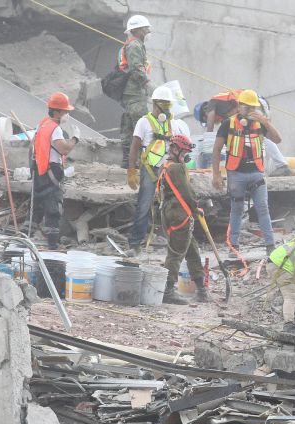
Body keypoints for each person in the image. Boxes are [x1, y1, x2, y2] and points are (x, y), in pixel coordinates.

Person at [212, 89, 280, 253]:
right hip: (236, 173)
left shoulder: (260, 124)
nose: (250, 111)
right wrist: (216, 174)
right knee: (236, 209)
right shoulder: (228, 123)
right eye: (247, 107)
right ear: (239, 106)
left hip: (256, 172)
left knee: (262, 208)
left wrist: (266, 123)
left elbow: (278, 139)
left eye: (253, 107)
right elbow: (216, 149)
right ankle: (233, 246)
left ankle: (271, 246)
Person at [150, 134, 209, 304]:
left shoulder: (165, 166)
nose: (185, 157)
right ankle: (168, 291)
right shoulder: (176, 168)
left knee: (192, 250)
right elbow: (186, 192)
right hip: (179, 214)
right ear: (174, 149)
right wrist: (195, 206)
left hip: (171, 212)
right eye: (183, 154)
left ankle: (201, 290)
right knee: (176, 252)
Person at [127, 85, 174, 250]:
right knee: (144, 205)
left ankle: (167, 240)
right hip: (150, 169)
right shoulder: (144, 122)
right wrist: (131, 170)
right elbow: (134, 147)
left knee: (170, 204)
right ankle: (135, 243)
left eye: (169, 103)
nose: (168, 106)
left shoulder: (169, 123)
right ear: (155, 103)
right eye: (165, 103)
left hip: (166, 169)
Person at [31, 92, 79, 249]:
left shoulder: (42, 124)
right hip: (52, 171)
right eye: (65, 111)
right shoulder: (55, 129)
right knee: (53, 208)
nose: (67, 114)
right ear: (57, 111)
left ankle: (25, 236)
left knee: (36, 206)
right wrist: (75, 138)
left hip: (39, 169)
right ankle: (53, 244)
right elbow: (64, 149)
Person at [119, 15, 152, 169]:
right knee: (142, 125)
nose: (148, 31)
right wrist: (147, 83)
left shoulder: (132, 44)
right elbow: (136, 68)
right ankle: (137, 160)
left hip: (131, 93)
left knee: (130, 126)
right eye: (145, 28)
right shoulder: (135, 45)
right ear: (137, 30)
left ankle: (128, 161)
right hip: (134, 93)